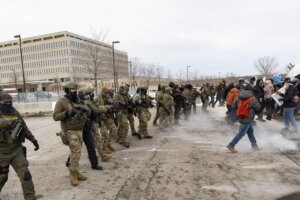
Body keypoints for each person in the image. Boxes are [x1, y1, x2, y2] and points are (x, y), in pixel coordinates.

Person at [0, 93, 40, 200]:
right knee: (2, 178)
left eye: (10, 102)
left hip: (16, 150)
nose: (8, 104)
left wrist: (33, 140)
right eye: (5, 103)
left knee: (26, 175)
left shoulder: (14, 112)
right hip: (1, 153)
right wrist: (8, 123)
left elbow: (24, 127)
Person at [53, 82, 88, 186]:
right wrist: (67, 113)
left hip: (79, 130)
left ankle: (76, 171)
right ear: (67, 90)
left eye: (75, 89)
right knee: (76, 151)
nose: (74, 91)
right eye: (72, 89)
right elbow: (55, 116)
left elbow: (87, 111)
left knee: (76, 152)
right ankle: (73, 174)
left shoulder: (78, 100)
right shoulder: (62, 101)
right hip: (69, 131)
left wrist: (84, 109)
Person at [227, 84, 261, 153]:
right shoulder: (252, 98)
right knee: (241, 133)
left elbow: (233, 106)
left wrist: (240, 110)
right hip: (248, 117)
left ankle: (254, 146)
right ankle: (231, 145)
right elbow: (258, 107)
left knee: (250, 132)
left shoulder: (238, 96)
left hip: (240, 116)